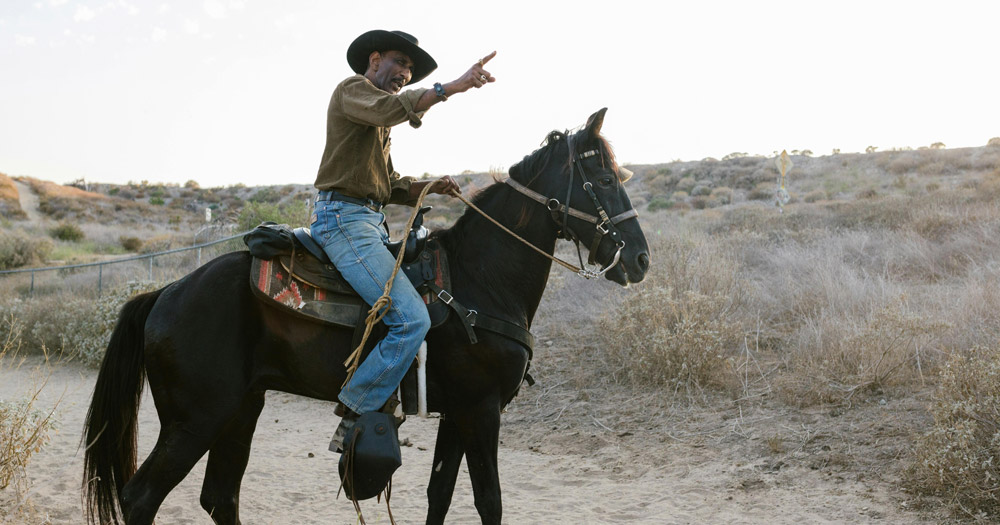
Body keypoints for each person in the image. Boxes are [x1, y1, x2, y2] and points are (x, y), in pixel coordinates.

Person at [311, 29, 496, 452]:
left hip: (367, 221)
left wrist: (428, 187)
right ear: (374, 59)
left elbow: (389, 184)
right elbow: (395, 108)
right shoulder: (353, 91)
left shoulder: (377, 119)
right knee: (413, 318)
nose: (405, 73)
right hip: (344, 220)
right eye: (400, 63)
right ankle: (356, 411)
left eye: (410, 70)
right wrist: (453, 87)